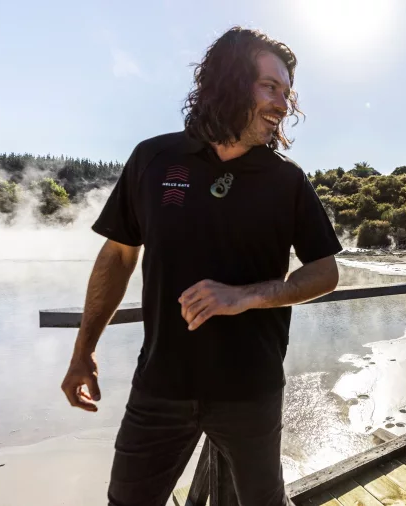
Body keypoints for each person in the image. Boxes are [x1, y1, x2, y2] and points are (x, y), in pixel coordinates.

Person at [59, 27, 342, 506]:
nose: (282, 104)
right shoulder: (153, 158)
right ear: (227, 82)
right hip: (160, 387)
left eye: (286, 93)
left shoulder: (286, 180)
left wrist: (245, 296)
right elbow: (119, 254)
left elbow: (325, 273)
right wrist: (83, 348)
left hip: (251, 390)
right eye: (269, 87)